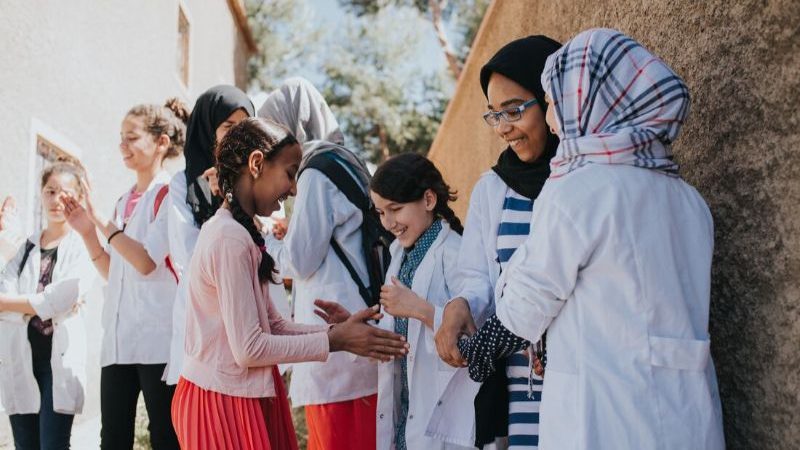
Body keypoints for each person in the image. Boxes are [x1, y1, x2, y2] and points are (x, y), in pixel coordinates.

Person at [457, 28, 725, 449]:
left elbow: (531, 296)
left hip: (607, 416)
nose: (551, 117)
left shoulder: (579, 190)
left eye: (554, 101)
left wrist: (483, 347)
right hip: (685, 415)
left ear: (585, 102)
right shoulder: (689, 200)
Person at [170, 117, 408, 450]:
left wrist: (334, 334)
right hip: (222, 403)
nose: (294, 189)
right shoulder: (229, 238)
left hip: (239, 393)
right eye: (290, 173)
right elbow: (250, 349)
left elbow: (274, 325)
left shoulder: (240, 233)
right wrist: (336, 342)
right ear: (256, 164)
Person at [434, 35, 562, 449]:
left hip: (580, 369)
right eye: (494, 115)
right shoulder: (494, 189)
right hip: (521, 383)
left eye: (514, 111)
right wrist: (460, 305)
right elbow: (477, 276)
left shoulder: (581, 178)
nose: (503, 128)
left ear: (551, 101)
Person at [258, 77, 379, 450]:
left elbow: (298, 260)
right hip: (357, 335)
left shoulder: (315, 170)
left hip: (340, 355)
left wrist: (259, 238)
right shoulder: (346, 161)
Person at [61, 99, 188, 449]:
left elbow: (147, 263)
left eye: (132, 137)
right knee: (112, 438)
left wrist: (100, 219)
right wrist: (88, 231)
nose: (123, 146)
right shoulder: (122, 201)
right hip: (118, 341)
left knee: (164, 436)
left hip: (157, 341)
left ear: (161, 142)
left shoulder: (169, 193)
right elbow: (115, 272)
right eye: (121, 137)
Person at [0, 162, 96, 450]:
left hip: (58, 365)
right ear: (41, 194)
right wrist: (33, 304)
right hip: (22, 358)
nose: (57, 200)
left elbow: (57, 299)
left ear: (78, 197)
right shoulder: (26, 246)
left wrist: (11, 305)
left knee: (53, 444)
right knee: (25, 445)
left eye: (65, 193)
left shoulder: (82, 246)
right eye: (50, 191)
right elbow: (8, 287)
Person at [164, 85, 255, 385]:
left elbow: (268, 252)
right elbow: (188, 255)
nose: (237, 137)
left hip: (251, 329)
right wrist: (225, 203)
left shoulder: (257, 181)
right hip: (204, 323)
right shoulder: (183, 185)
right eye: (228, 127)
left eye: (244, 128)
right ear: (208, 130)